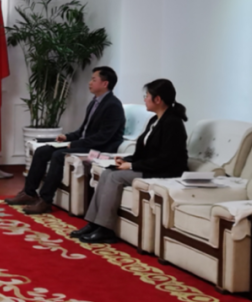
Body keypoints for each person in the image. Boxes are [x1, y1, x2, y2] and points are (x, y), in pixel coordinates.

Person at [72, 79, 189, 244]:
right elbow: (143, 152)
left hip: (165, 171)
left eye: (147, 96)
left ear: (157, 99)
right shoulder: (154, 120)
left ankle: (105, 229)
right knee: (107, 172)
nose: (144, 99)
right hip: (150, 166)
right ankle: (93, 223)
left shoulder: (173, 123)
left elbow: (166, 159)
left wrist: (132, 165)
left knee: (115, 177)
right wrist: (125, 160)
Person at [7, 66, 126, 215]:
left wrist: (74, 144)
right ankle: (29, 193)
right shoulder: (94, 103)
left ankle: (46, 201)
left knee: (58, 155)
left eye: (93, 79)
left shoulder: (113, 105)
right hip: (87, 145)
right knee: (42, 151)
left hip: (101, 151)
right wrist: (68, 137)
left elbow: (103, 137)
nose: (89, 82)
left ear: (105, 83)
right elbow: (84, 131)